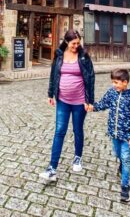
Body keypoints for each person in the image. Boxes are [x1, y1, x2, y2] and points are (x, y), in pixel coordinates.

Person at [39, 30, 95, 182]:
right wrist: (50, 94)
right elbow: (53, 75)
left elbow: (90, 78)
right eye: (73, 43)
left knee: (77, 130)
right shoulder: (59, 55)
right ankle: (52, 168)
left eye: (78, 43)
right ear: (66, 42)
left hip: (80, 102)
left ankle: (77, 157)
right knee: (59, 131)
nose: (76, 46)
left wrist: (90, 101)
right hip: (62, 100)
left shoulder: (84, 56)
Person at [86, 69, 130, 203]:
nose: (114, 85)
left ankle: (125, 187)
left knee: (126, 158)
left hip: (127, 136)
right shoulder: (111, 93)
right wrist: (93, 107)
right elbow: (103, 104)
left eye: (116, 82)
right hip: (114, 134)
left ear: (125, 82)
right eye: (113, 82)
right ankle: (121, 164)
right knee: (118, 154)